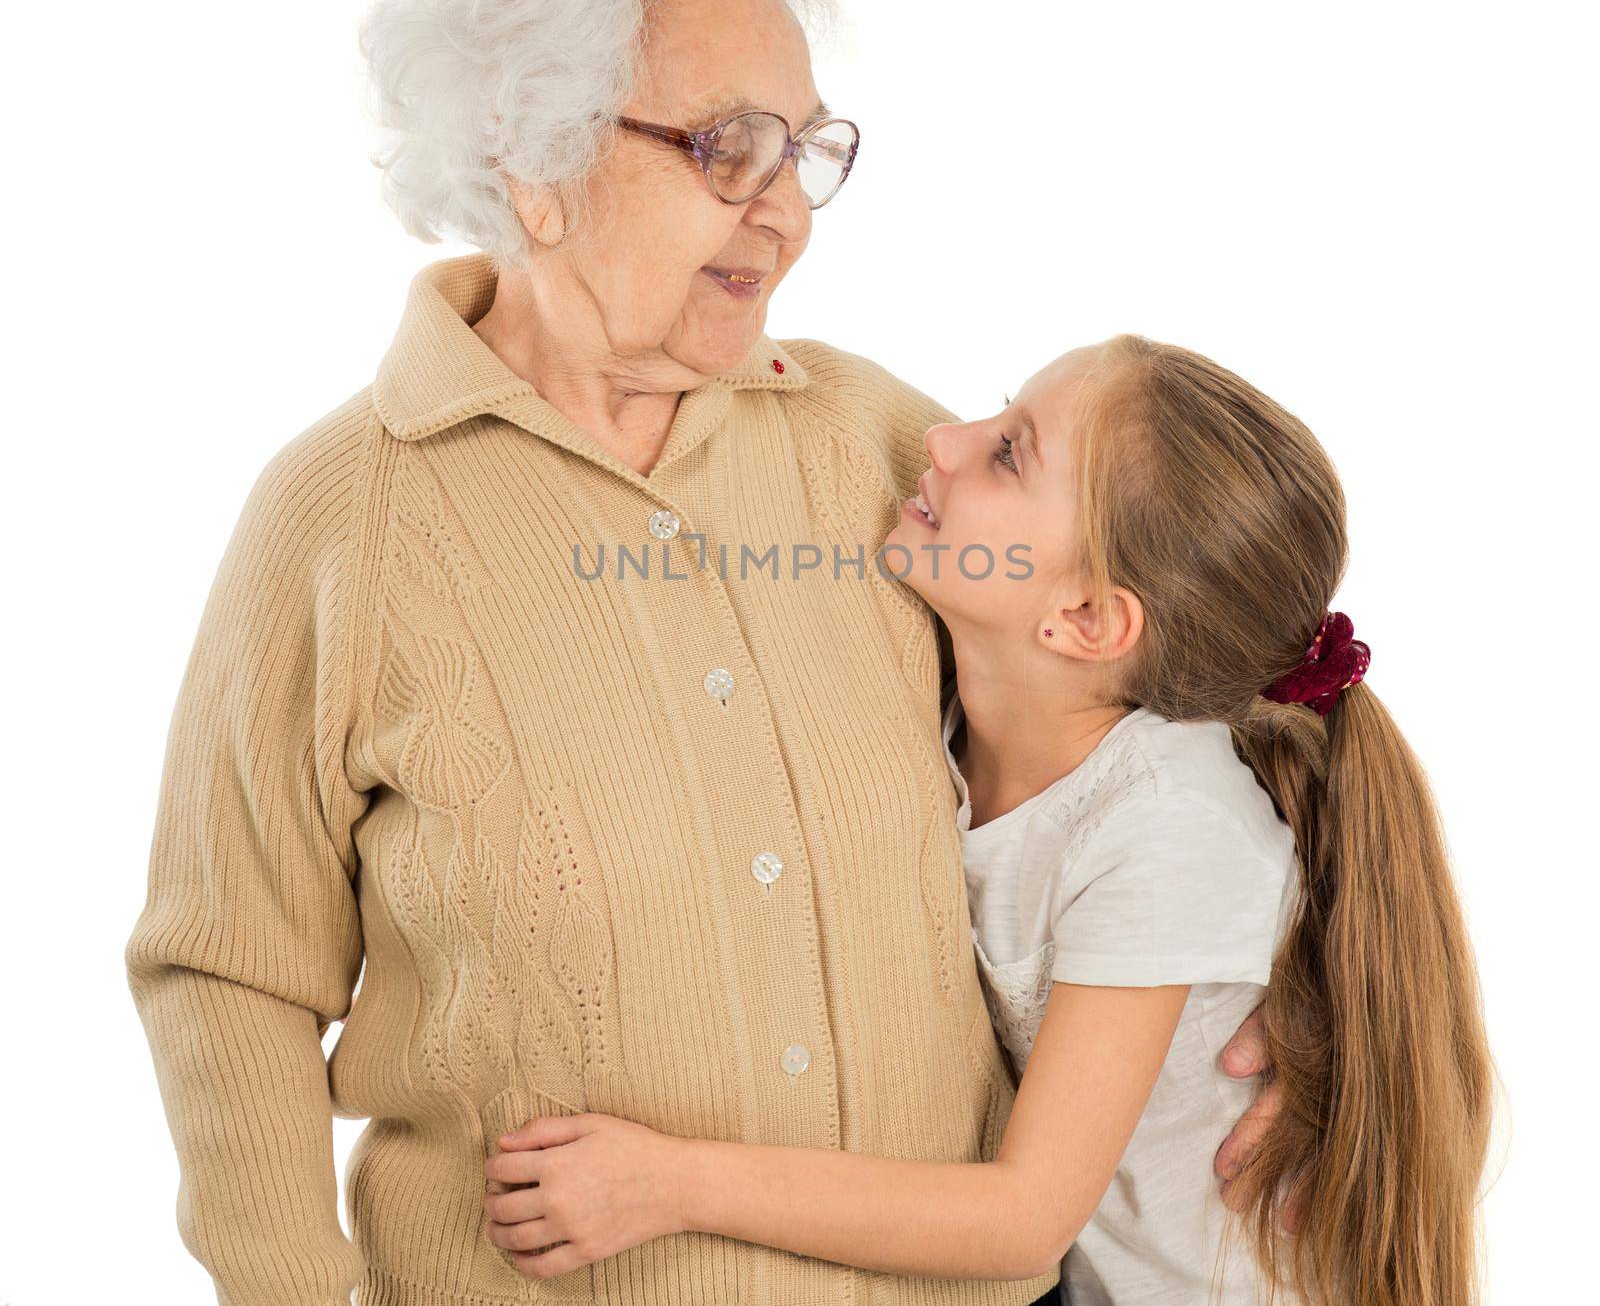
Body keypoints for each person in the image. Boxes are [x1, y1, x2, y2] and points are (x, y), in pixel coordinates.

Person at [124, 0, 1273, 1305]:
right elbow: (229, 974)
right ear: (531, 158)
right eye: (730, 145)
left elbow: (1169, 656)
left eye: (805, 150)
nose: (785, 207)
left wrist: (1283, 1013)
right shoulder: (347, 520)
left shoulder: (875, 443)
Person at [482, 337, 1494, 1306]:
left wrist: (670, 1184)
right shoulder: (965, 716)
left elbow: (1020, 1221)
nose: (944, 441)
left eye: (1009, 451)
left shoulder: (1161, 829)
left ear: (1087, 621)